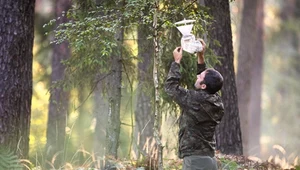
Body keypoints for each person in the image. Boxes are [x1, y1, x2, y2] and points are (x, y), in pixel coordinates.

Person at [164, 39, 224, 170]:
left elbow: (170, 88)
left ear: (203, 85)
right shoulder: (217, 101)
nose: (197, 77)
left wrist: (176, 62)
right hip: (209, 159)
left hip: (194, 162)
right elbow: (204, 84)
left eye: (200, 76)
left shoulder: (194, 99)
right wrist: (200, 56)